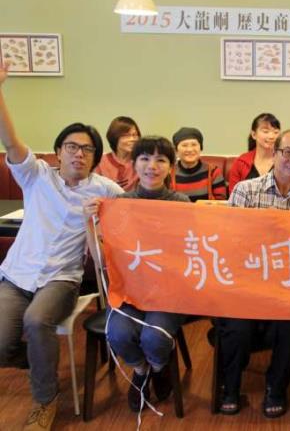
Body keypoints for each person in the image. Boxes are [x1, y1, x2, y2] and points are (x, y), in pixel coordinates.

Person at [0, 63, 123, 431]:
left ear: (95, 158)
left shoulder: (104, 189)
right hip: (16, 275)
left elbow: (138, 209)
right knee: (2, 342)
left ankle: (45, 400)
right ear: (58, 151)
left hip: (61, 279)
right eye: (72, 147)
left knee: (37, 321)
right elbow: (11, 142)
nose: (79, 154)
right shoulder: (36, 176)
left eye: (87, 149)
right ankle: (39, 361)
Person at [217, 130, 290, 418]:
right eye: (287, 152)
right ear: (274, 154)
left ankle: (276, 387)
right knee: (237, 328)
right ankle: (230, 386)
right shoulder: (246, 191)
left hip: (288, 288)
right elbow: (229, 242)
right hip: (246, 284)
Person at [87, 136, 191, 413]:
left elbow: (191, 253)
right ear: (134, 164)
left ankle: (159, 367)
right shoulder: (120, 203)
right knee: (118, 334)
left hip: (167, 295)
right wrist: (90, 223)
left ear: (171, 167)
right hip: (130, 292)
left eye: (161, 160)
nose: (152, 166)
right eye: (145, 158)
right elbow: (102, 260)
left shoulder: (181, 203)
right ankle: (142, 370)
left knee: (154, 338)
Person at [227, 113, 281, 192]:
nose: (271, 136)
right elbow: (234, 194)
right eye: (266, 131)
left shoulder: (285, 162)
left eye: (276, 132)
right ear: (254, 134)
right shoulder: (241, 162)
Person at [171, 126, 227, 201]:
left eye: (194, 145)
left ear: (200, 148)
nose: (190, 149)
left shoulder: (213, 172)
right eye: (184, 145)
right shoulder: (168, 173)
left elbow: (220, 202)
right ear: (176, 150)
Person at [95, 116, 141, 191]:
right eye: (126, 135)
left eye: (135, 135)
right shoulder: (100, 161)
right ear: (115, 137)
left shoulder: (141, 162)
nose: (132, 139)